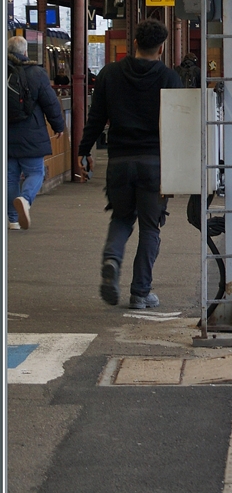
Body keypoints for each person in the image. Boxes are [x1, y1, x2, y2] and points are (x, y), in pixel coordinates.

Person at [79, 19, 182, 308]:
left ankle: (112, 259)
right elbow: (178, 127)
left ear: (134, 44)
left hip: (119, 162)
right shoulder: (169, 78)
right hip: (154, 163)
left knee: (122, 217)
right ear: (161, 49)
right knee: (151, 227)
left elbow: (96, 117)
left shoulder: (109, 74)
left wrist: (84, 150)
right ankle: (140, 292)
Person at [7, 36, 67, 230]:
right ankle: (25, 200)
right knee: (36, 172)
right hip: (31, 134)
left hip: (6, 135)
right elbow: (50, 103)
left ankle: (13, 219)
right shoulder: (37, 73)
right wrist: (58, 126)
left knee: (10, 177)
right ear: (25, 53)